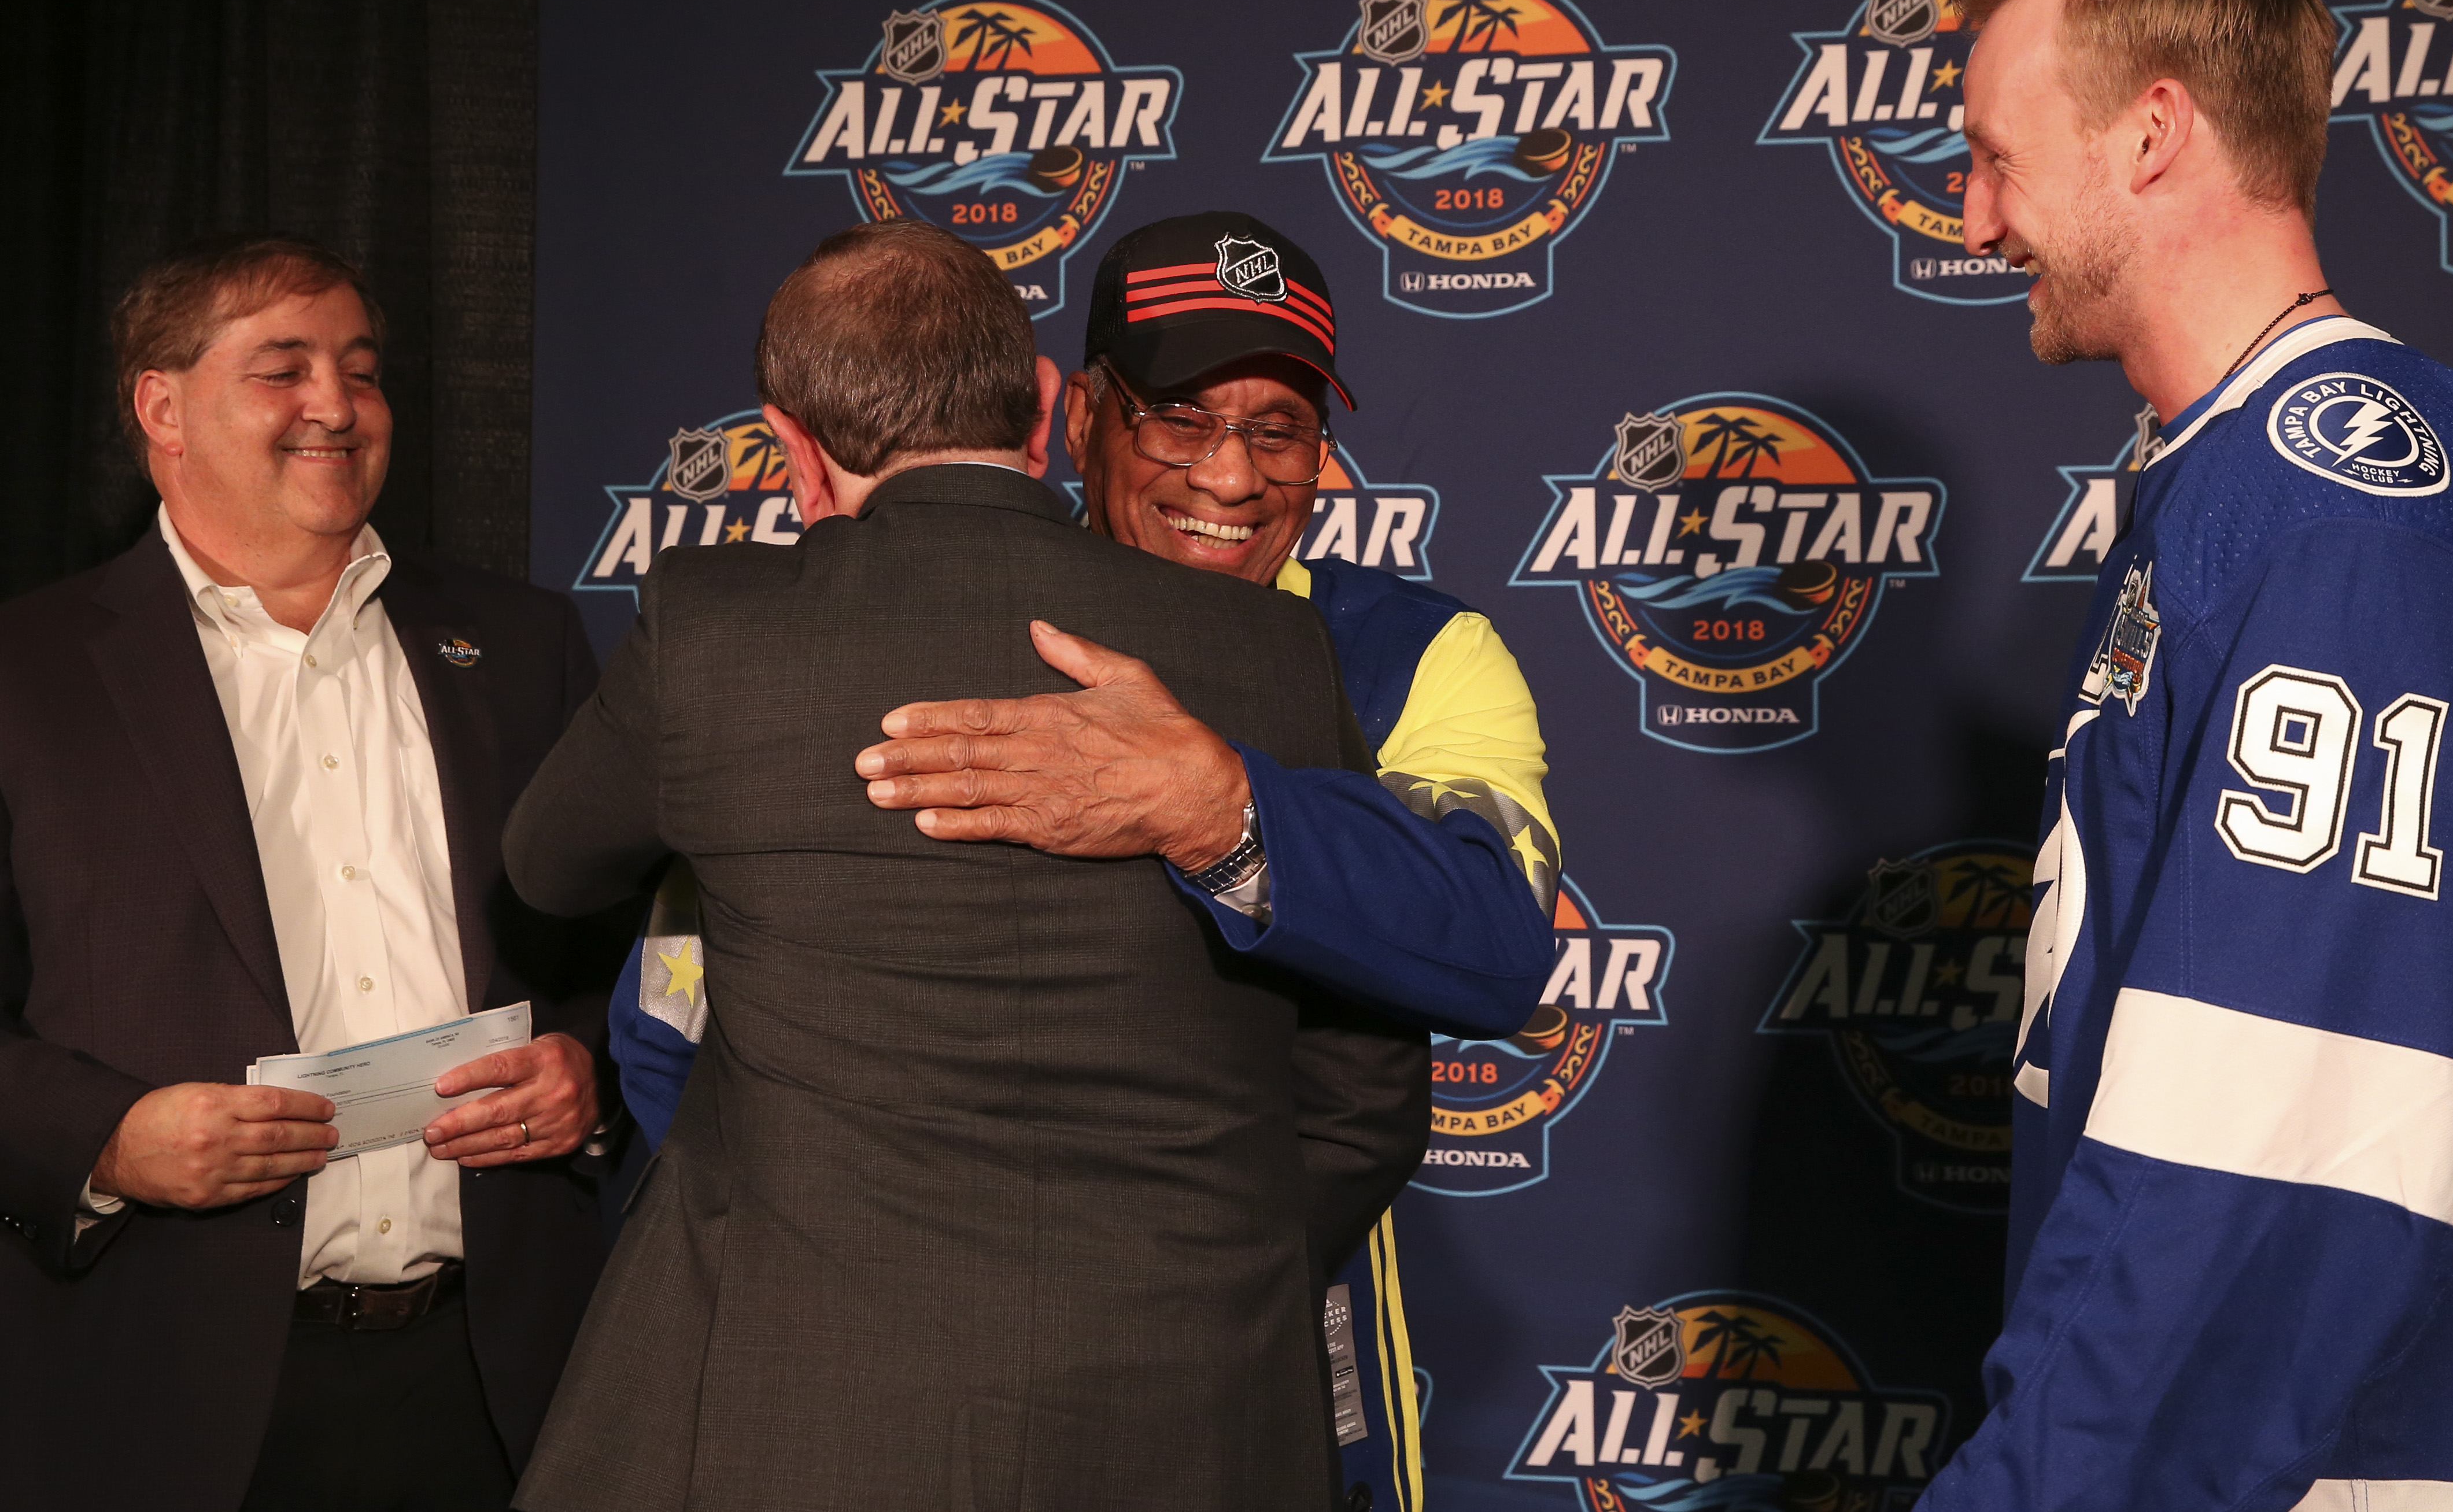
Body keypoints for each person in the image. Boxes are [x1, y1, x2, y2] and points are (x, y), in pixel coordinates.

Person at [609, 210, 1564, 1510]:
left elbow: (1494, 942)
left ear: (1325, 458)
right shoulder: (847, 633)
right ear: (1079, 420)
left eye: (1276, 429)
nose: (1228, 477)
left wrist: (1221, 812)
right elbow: (676, 1008)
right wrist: (836, 1256)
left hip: (1237, 1346)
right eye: (1179, 418)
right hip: (852, 1363)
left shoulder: (1413, 655)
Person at [1924, 0, 2453, 1508]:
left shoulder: (2341, 491)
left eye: (1996, 157)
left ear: (2150, 134)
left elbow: (2281, 1140)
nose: (1968, 220)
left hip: (2352, 1466)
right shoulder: (2243, 472)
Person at [0, 237, 615, 1512]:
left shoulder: (522, 643)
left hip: (497, 1384)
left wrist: (584, 1072)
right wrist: (105, 1143)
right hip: (160, 1389)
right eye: (283, 370)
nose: (337, 405)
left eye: (361, 370)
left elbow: (618, 960)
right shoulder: (27, 672)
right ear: (160, 409)